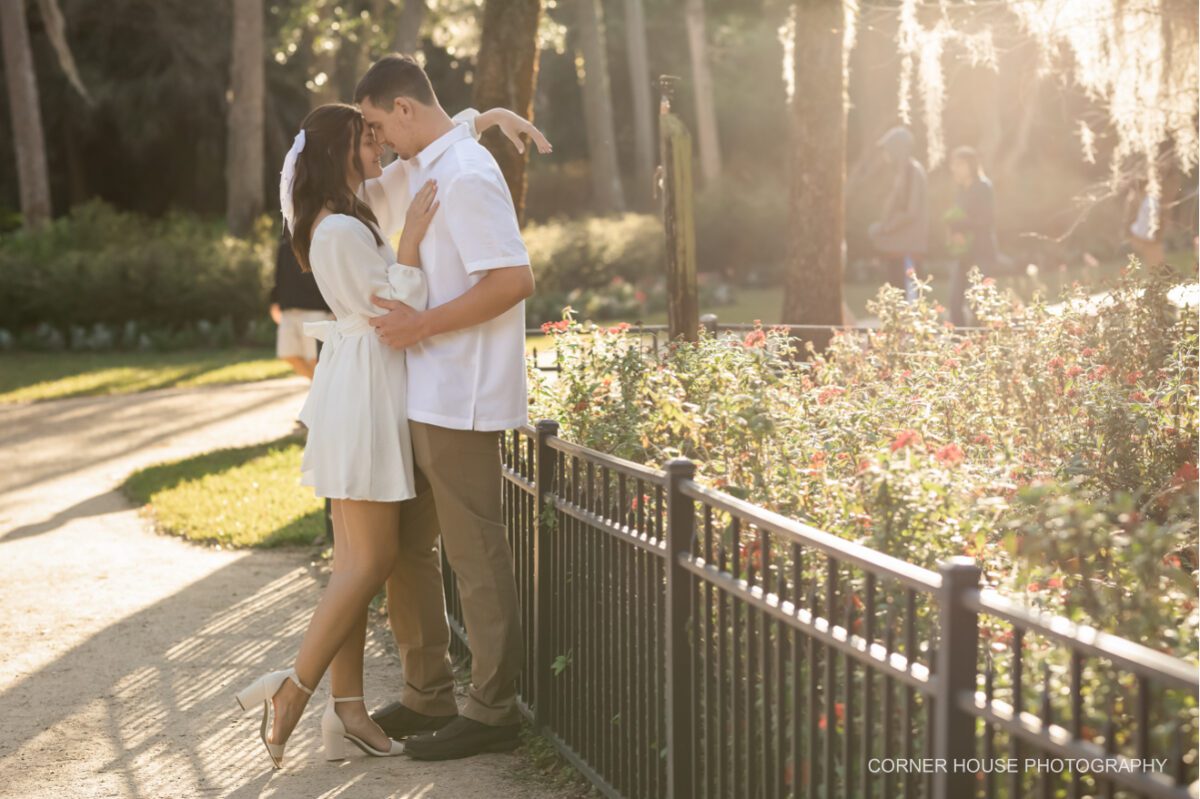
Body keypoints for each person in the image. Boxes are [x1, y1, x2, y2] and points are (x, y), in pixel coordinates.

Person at [234, 94, 548, 769]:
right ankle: (293, 690)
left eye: (377, 132)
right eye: (365, 137)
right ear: (338, 149)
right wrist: (407, 247)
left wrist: (487, 118)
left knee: (359, 563)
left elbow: (430, 135)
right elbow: (393, 311)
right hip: (365, 394)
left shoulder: (348, 212)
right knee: (369, 562)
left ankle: (345, 710)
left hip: (365, 388)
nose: (378, 147)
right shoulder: (340, 229)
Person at [354, 54, 546, 761]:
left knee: (476, 553)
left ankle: (492, 710)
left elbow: (514, 278)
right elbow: (422, 135)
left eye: (378, 126)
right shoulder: (434, 161)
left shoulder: (465, 174)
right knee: (405, 549)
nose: (377, 146)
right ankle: (426, 691)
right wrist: (483, 113)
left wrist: (421, 326)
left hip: (461, 398)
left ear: (403, 109)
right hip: (423, 390)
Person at [868, 126, 928, 301]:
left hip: (907, 249)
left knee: (909, 300)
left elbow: (910, 211)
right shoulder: (902, 173)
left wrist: (885, 228)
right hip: (897, 249)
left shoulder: (912, 172)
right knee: (896, 299)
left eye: (888, 148)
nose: (885, 153)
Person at [945, 146, 999, 327]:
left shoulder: (983, 187)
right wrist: (954, 232)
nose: (955, 168)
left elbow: (986, 219)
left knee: (978, 302)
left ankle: (982, 343)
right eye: (954, 164)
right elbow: (956, 216)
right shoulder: (960, 191)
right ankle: (960, 344)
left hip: (981, 251)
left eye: (960, 164)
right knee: (954, 301)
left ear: (971, 166)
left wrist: (961, 226)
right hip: (963, 254)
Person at [269, 229, 333, 380]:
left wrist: (334, 306)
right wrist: (274, 300)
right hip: (288, 306)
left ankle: (322, 394)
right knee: (288, 354)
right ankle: (319, 391)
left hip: (317, 307)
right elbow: (279, 268)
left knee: (316, 359)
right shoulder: (286, 227)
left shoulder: (322, 225)